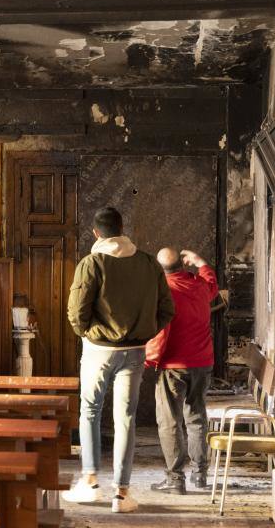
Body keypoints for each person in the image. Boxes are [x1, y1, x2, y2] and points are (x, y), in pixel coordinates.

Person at [63, 207, 175, 513]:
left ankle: (90, 482)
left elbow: (76, 312)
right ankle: (122, 494)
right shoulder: (149, 262)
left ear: (96, 233)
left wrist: (87, 332)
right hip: (135, 351)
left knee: (89, 411)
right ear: (123, 229)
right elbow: (167, 309)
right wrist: (146, 332)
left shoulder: (92, 263)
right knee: (126, 419)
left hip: (98, 349)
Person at [146, 248, 219, 494]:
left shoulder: (159, 291)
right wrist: (200, 262)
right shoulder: (198, 286)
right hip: (202, 363)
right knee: (196, 417)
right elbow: (212, 283)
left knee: (170, 422)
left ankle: (175, 480)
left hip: (172, 367)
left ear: (159, 269)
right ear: (182, 264)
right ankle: (200, 475)